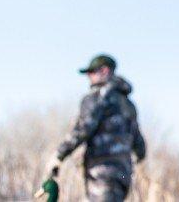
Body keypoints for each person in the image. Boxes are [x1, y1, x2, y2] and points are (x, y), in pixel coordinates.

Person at [48, 54, 146, 202]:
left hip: (101, 174)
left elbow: (83, 129)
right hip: (123, 176)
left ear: (105, 71)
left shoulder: (95, 98)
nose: (89, 77)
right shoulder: (128, 104)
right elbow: (140, 146)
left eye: (92, 72)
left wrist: (59, 155)